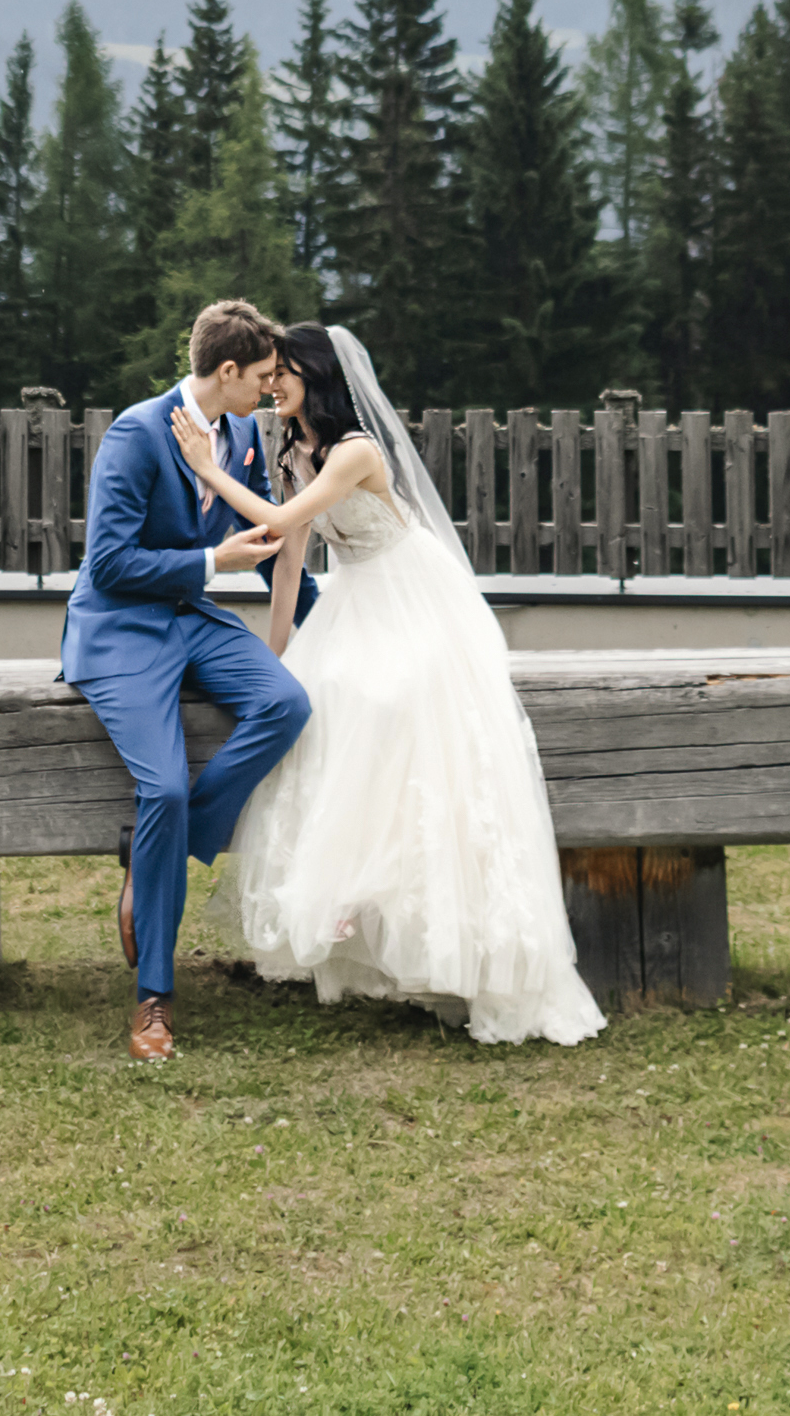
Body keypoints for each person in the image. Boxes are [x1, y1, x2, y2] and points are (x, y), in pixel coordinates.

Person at [173, 320, 603, 1046]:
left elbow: (277, 520)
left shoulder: (355, 450)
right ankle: (350, 899)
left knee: (389, 705)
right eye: (269, 376)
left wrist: (207, 467)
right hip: (352, 600)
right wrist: (274, 657)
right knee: (317, 701)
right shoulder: (296, 450)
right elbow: (288, 559)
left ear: (317, 378)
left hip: (409, 595)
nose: (273, 386)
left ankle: (425, 921)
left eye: (284, 375)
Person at [59, 299, 313, 1063]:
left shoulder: (238, 435)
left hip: (191, 617)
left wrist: (333, 612)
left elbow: (265, 543)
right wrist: (212, 563)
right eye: (264, 375)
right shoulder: (137, 434)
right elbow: (107, 564)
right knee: (161, 786)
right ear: (227, 370)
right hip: (119, 626)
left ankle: (155, 854)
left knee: (285, 702)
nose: (273, 389)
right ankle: (153, 1001)